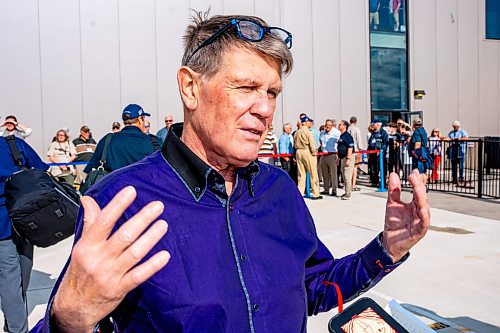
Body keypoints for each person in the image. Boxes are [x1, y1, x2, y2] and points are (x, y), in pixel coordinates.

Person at [32, 13, 429, 333]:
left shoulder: (278, 189)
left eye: (272, 92)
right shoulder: (121, 200)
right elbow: (80, 313)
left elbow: (312, 289)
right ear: (190, 88)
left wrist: (387, 249)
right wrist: (68, 321)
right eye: (246, 87)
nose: (266, 109)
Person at [1, 134, 48, 333]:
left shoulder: (13, 143)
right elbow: (41, 169)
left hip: (22, 220)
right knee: (13, 277)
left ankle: (13, 318)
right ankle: (17, 329)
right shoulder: (14, 144)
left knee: (19, 278)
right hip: (24, 218)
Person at [295, 116, 323, 199]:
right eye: (310, 122)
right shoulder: (308, 132)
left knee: (301, 174)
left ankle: (300, 192)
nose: (311, 123)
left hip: (299, 151)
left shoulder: (297, 132)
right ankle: (315, 193)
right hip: (307, 151)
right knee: (313, 173)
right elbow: (311, 144)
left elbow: (295, 143)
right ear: (306, 122)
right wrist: (314, 152)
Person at [319, 119, 340, 196]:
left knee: (333, 173)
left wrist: (338, 156)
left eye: (329, 125)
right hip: (324, 155)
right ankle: (326, 189)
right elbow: (320, 142)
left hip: (332, 154)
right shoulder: (322, 133)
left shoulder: (336, 133)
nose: (327, 127)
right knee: (324, 173)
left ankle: (334, 189)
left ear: (332, 126)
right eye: (326, 125)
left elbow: (339, 143)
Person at [408, 118, 429, 186]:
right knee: (423, 171)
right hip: (424, 153)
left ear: (414, 124)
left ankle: (419, 187)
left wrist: (415, 153)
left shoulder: (417, 132)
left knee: (417, 170)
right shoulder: (423, 130)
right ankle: (424, 186)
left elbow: (418, 143)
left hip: (419, 154)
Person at [337, 120, 355, 200]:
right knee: (344, 175)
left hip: (348, 157)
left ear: (345, 126)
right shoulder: (342, 136)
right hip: (342, 158)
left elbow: (350, 147)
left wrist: (348, 158)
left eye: (340, 124)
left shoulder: (347, 136)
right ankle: (346, 191)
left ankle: (348, 194)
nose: (338, 125)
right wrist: (338, 158)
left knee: (347, 176)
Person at [367, 118, 388, 187]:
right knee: (374, 168)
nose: (372, 125)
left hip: (380, 154)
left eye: (374, 124)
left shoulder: (383, 133)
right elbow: (370, 142)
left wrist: (381, 150)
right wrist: (368, 152)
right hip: (373, 153)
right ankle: (375, 181)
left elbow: (385, 143)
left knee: (381, 168)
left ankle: (383, 183)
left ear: (378, 124)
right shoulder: (373, 133)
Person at [348, 116, 363, 191]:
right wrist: (360, 149)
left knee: (348, 168)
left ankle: (348, 184)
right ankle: (353, 185)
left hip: (348, 151)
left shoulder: (347, 129)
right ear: (356, 121)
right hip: (355, 150)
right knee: (355, 167)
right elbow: (358, 140)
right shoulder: (357, 129)